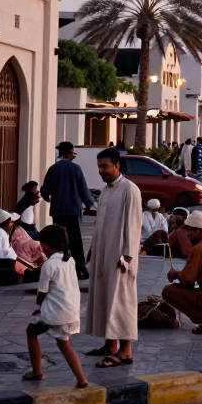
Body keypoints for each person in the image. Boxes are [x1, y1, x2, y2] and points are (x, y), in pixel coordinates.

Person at [85, 147, 142, 368]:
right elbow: (100, 225)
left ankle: (125, 352)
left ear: (117, 165)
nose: (101, 171)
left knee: (121, 302)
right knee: (105, 298)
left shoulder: (130, 189)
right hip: (103, 254)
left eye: (104, 166)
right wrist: (92, 252)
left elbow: (134, 225)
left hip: (121, 257)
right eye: (99, 166)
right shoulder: (107, 190)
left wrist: (127, 256)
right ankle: (110, 345)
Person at [23, 225, 87, 388]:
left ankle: (37, 370)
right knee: (64, 345)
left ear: (44, 245)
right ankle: (82, 379)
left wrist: (40, 304)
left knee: (31, 332)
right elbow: (62, 291)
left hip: (55, 314)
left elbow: (42, 293)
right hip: (71, 311)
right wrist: (44, 308)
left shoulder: (48, 265)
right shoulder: (70, 261)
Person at [41, 141, 97, 279]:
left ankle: (61, 266)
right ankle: (80, 268)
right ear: (68, 153)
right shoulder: (76, 169)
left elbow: (45, 190)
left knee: (60, 239)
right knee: (75, 239)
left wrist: (47, 198)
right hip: (72, 211)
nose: (74, 155)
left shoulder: (53, 169)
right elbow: (83, 190)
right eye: (73, 153)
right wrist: (92, 205)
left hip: (58, 210)